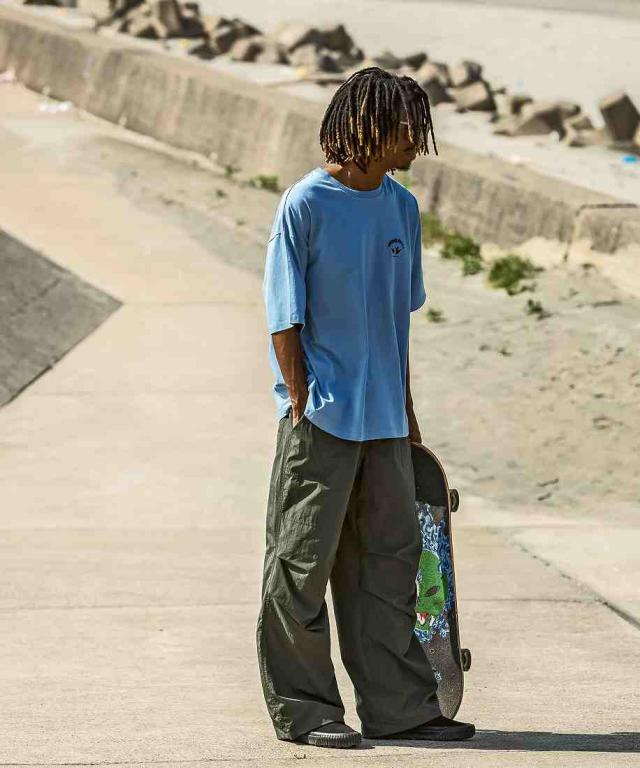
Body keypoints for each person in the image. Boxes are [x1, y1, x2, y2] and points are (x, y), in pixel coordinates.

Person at [256, 66, 475, 749]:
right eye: (408, 126)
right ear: (370, 126)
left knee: (389, 567)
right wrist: (301, 399)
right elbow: (283, 315)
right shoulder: (305, 203)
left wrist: (405, 410)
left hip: (385, 421)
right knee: (300, 568)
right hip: (322, 418)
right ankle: (307, 711)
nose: (418, 140)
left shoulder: (401, 208)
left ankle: (400, 708)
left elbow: (395, 320)